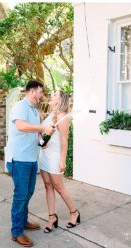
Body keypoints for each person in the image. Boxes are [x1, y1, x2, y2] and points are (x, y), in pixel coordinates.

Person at [6, 80, 55, 247]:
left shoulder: (34, 111)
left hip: (31, 159)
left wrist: (42, 141)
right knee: (21, 195)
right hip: (19, 159)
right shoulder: (21, 106)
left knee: (28, 193)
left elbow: (35, 134)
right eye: (40, 92)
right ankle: (17, 232)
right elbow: (20, 126)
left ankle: (24, 221)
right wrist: (42, 129)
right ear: (32, 91)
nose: (42, 95)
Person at [38, 90, 80, 233]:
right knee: (48, 186)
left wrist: (62, 160)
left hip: (55, 156)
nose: (51, 96)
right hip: (44, 155)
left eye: (54, 95)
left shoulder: (63, 116)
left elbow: (64, 140)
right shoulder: (50, 115)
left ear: (60, 100)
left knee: (59, 186)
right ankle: (52, 217)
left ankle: (74, 212)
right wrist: (41, 141)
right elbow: (41, 132)